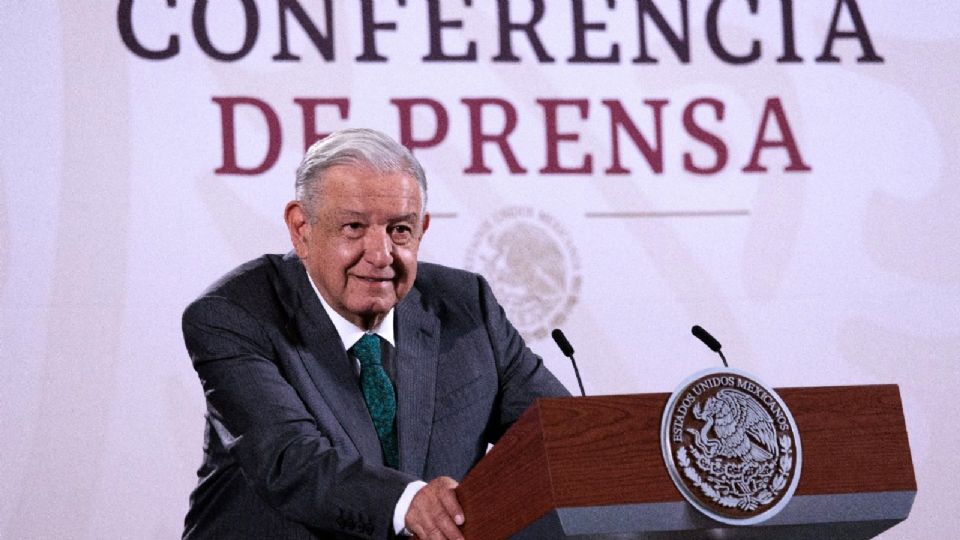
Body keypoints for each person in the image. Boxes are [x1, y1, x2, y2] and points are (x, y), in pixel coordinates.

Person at [181, 128, 569, 539]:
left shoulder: (467, 307)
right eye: (353, 227)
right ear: (301, 229)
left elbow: (561, 436)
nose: (381, 254)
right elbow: (290, 459)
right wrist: (408, 503)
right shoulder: (234, 315)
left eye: (400, 229)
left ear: (422, 229)